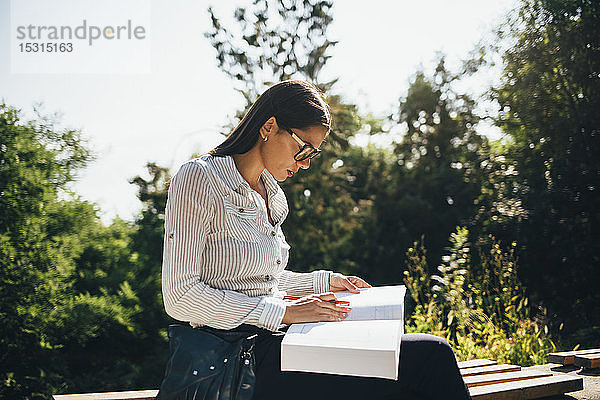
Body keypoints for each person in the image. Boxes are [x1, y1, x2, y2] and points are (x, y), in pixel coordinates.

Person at [161, 80, 471, 400]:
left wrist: (324, 283)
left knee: (415, 359)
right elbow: (181, 295)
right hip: (235, 361)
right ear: (269, 126)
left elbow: (259, 281)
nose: (307, 162)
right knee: (429, 357)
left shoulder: (271, 194)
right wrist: (284, 312)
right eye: (304, 148)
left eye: (314, 153)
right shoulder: (199, 178)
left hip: (277, 344)